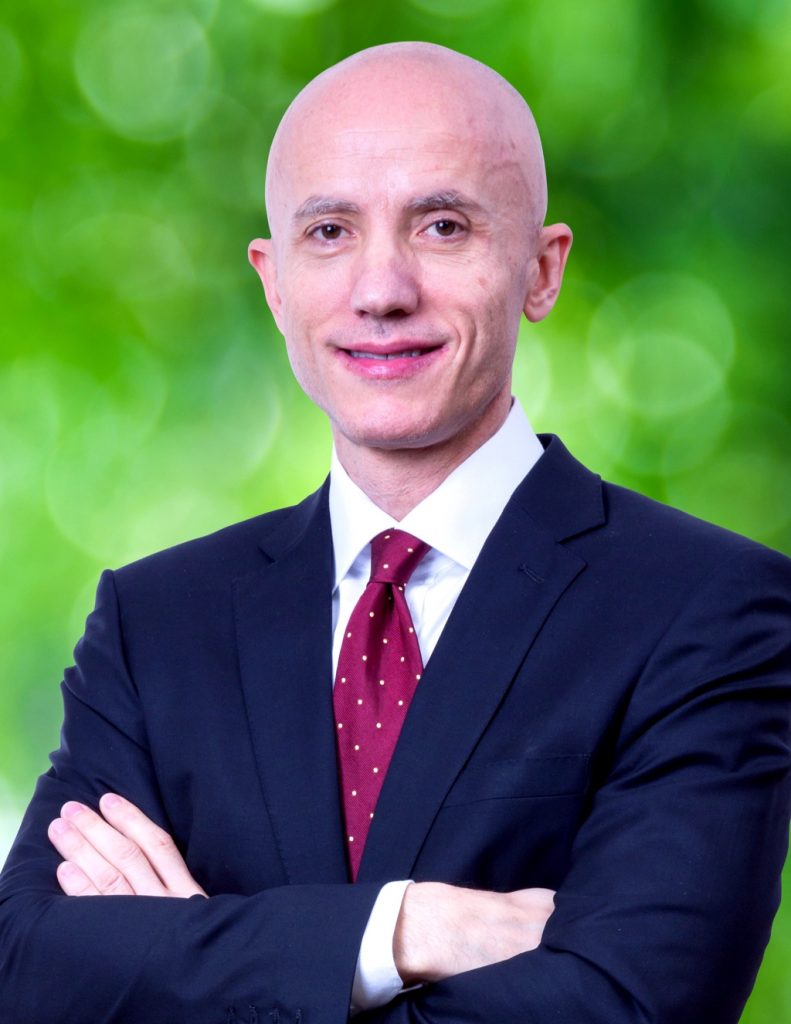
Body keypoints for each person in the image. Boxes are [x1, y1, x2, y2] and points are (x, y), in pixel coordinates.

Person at [1, 40, 789, 1024]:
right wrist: (404, 928)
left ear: (541, 270)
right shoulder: (156, 624)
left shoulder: (708, 609)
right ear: (273, 281)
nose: (380, 290)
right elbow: (27, 970)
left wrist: (194, 958)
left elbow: (629, 1003)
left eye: (442, 226)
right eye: (329, 231)